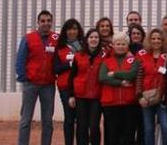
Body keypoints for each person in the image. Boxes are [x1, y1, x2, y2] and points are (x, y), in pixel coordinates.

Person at [16, 10, 58, 145]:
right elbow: (20, 59)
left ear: (51, 22)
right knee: (25, 120)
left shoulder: (56, 38)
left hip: (48, 85)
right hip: (31, 84)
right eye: (43, 21)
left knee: (47, 120)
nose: (46, 23)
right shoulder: (28, 38)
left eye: (48, 21)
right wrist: (24, 78)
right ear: (38, 23)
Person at [99, 32, 141, 145]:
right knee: (112, 135)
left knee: (128, 135)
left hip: (129, 103)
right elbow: (102, 78)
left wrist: (114, 74)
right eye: (118, 44)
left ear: (127, 45)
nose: (121, 46)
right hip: (111, 104)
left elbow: (132, 75)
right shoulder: (106, 61)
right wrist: (121, 83)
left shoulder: (134, 60)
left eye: (123, 44)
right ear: (113, 45)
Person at [67, 28, 104, 145]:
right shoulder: (78, 56)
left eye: (96, 37)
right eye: (91, 37)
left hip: (96, 97)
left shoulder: (104, 57)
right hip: (81, 96)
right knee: (82, 126)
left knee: (94, 126)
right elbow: (72, 76)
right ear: (87, 40)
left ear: (99, 40)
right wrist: (71, 95)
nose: (94, 39)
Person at [137, 28, 167, 145]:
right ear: (149, 40)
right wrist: (139, 96)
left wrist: (166, 96)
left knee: (166, 128)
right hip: (146, 97)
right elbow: (138, 77)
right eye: (153, 38)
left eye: (159, 39)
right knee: (148, 129)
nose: (156, 41)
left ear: (163, 41)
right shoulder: (143, 56)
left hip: (162, 98)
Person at [54, 18, 84, 145]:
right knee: (70, 118)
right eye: (69, 29)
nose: (72, 31)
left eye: (75, 29)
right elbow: (56, 68)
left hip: (82, 86)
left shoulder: (84, 46)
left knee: (81, 119)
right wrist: (71, 64)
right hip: (65, 86)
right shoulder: (60, 47)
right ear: (65, 31)